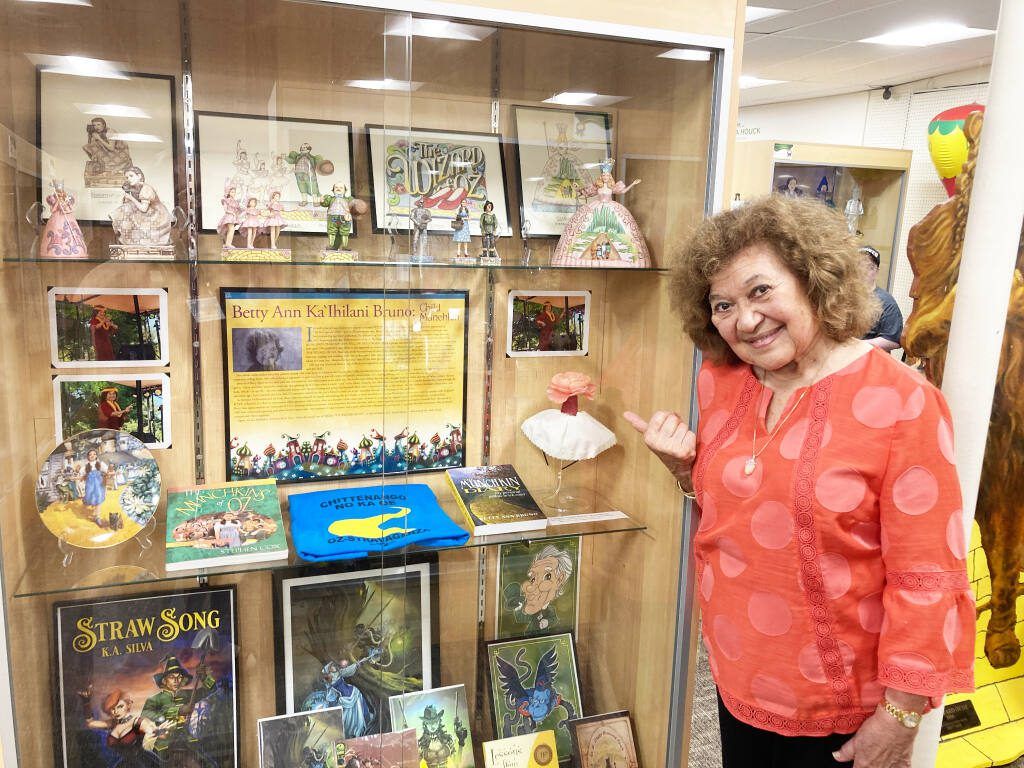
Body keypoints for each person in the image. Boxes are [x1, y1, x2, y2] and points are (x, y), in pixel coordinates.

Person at [624, 196, 973, 767]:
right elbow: (738, 508)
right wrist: (684, 472)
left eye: (761, 291)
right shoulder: (724, 382)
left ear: (814, 279)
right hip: (738, 679)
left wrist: (902, 716)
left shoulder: (904, 405)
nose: (745, 319)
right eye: (722, 304)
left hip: (839, 711)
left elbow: (927, 577)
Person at [79, 686, 160, 768]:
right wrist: (86, 702)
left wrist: (158, 731)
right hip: (124, 764)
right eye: (112, 708)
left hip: (141, 762)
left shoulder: (137, 722)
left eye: (120, 706)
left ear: (128, 705)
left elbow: (152, 730)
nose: (116, 711)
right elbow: (90, 723)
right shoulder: (112, 723)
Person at [109, 166, 172, 246]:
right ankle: (125, 235)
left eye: (131, 176)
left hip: (156, 216)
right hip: (148, 213)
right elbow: (129, 203)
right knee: (127, 207)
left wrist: (131, 198)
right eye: (127, 177)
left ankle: (129, 236)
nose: (129, 179)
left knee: (127, 208)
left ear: (139, 176)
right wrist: (128, 196)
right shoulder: (135, 188)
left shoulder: (146, 189)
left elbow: (143, 209)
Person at [860, 246, 904, 353]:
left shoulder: (886, 302)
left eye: (870, 267)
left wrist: (859, 345)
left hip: (871, 361)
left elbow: (893, 339)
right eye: (860, 265)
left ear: (877, 271)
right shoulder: (843, 296)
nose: (864, 271)